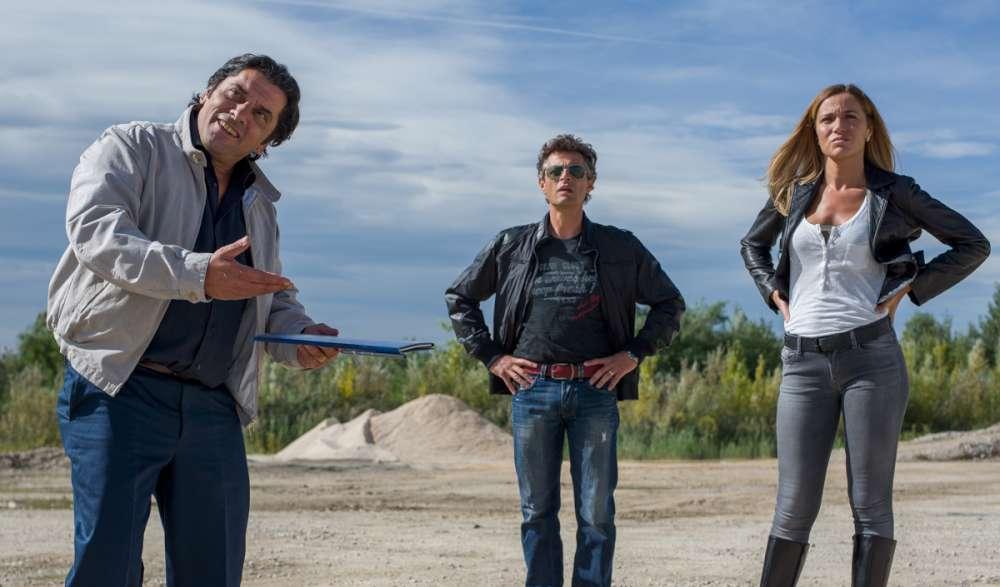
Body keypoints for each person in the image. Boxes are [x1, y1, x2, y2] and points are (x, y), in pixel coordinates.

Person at [47, 53, 340, 586]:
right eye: (235, 94)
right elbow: (97, 234)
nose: (240, 114)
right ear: (207, 93)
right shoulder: (132, 146)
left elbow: (266, 297)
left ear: (268, 141)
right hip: (119, 389)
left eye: (261, 114)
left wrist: (299, 336)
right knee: (106, 567)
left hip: (213, 406)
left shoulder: (260, 205)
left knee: (213, 570)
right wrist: (199, 275)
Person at [740, 84, 989, 586]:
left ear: (869, 128)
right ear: (815, 131)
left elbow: (972, 243)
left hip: (871, 360)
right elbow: (752, 245)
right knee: (793, 506)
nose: (840, 126)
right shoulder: (794, 193)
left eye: (851, 117)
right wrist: (774, 293)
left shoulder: (895, 193)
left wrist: (911, 287)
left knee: (870, 505)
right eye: (828, 118)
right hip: (801, 362)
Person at [445, 134, 685, 586]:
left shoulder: (620, 247)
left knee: (596, 514)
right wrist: (493, 358)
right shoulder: (511, 245)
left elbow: (670, 304)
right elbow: (460, 298)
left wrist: (632, 355)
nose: (565, 178)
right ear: (541, 182)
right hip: (532, 390)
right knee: (537, 511)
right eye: (555, 171)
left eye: (576, 171)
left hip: (595, 391)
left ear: (591, 182)